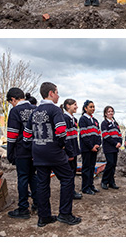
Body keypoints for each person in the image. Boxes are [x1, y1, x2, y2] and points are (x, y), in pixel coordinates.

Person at [23, 82, 81, 227]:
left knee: (42, 184)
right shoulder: (55, 110)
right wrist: (66, 150)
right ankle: (65, 214)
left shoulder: (34, 112)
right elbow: (62, 132)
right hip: (54, 152)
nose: (58, 95)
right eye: (56, 92)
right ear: (50, 93)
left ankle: (44, 217)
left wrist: (33, 149)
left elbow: (26, 135)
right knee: (67, 178)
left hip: (38, 153)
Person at [6, 87, 38, 219]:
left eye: (10, 102)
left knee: (23, 178)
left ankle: (23, 208)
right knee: (33, 177)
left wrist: (10, 152)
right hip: (35, 150)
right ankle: (37, 204)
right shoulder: (35, 109)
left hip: (21, 150)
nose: (11, 104)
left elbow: (12, 135)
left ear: (13, 99)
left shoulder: (15, 111)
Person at [60, 99, 82, 199]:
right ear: (67, 106)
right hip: (69, 152)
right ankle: (69, 192)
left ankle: (71, 190)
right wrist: (69, 153)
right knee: (69, 173)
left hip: (73, 150)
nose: (76, 107)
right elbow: (66, 138)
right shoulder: (65, 118)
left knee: (72, 172)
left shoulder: (73, 119)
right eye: (74, 105)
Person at [78, 100, 102, 195]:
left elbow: (98, 134)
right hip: (87, 148)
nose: (93, 109)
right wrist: (91, 146)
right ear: (85, 108)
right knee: (86, 167)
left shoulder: (95, 121)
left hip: (94, 148)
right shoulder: (83, 119)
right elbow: (84, 135)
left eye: (93, 107)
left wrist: (97, 144)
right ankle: (85, 187)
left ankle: (91, 185)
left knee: (92, 167)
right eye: (90, 107)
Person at [101, 106, 122, 189]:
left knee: (113, 165)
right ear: (105, 113)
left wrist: (120, 142)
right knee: (110, 164)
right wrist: (115, 143)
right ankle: (104, 181)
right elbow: (105, 135)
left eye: (112, 111)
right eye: (109, 111)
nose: (110, 113)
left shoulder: (115, 123)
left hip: (115, 148)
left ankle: (111, 182)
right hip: (108, 147)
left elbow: (119, 134)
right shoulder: (104, 123)